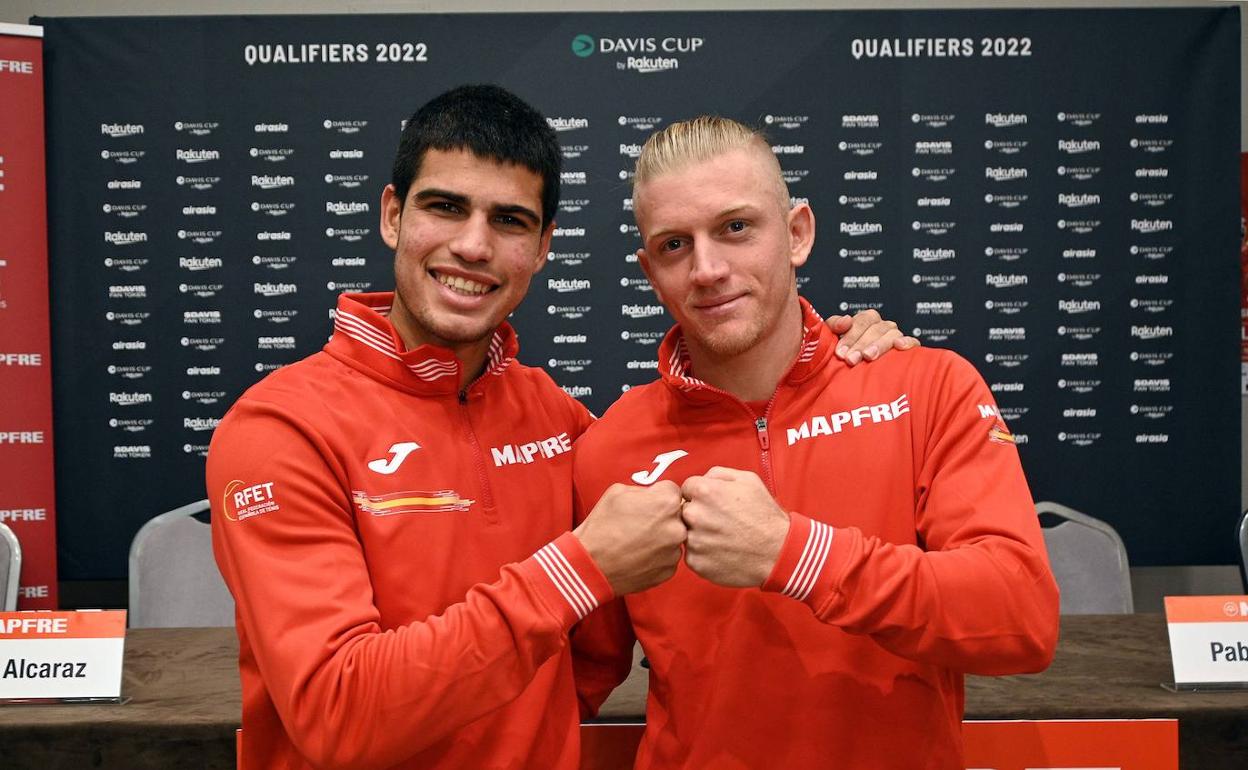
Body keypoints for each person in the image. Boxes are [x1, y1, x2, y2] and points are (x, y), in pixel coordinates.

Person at [208, 86, 912, 770]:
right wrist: (574, 574)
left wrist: (837, 354)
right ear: (394, 215)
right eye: (445, 208)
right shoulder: (279, 428)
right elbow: (338, 714)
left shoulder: (557, 417)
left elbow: (593, 655)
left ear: (543, 247)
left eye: (510, 221)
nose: (474, 246)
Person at [570, 116, 1060, 769]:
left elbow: (1021, 619)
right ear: (650, 271)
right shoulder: (612, 447)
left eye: (736, 228)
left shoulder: (926, 386)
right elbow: (572, 681)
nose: (708, 268)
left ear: (797, 233)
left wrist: (797, 555)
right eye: (674, 246)